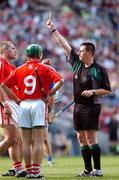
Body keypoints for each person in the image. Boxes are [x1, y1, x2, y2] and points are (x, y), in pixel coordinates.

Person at [46, 17, 112, 177]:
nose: (79, 53)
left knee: (91, 137)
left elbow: (107, 90)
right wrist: (53, 30)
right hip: (78, 106)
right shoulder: (77, 63)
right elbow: (63, 45)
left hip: (92, 106)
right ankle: (87, 170)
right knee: (81, 138)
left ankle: (98, 170)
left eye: (82, 51)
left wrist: (93, 92)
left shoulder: (100, 69)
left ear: (89, 52)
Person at [1, 43, 64, 179]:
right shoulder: (44, 67)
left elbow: (3, 85)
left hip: (23, 105)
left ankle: (28, 171)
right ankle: (36, 172)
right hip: (38, 104)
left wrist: (16, 99)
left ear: (27, 55)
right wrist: (49, 94)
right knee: (38, 141)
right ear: (40, 54)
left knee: (26, 141)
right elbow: (61, 81)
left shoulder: (19, 68)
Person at [0, 41, 25, 177]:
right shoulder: (1, 63)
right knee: (11, 138)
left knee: (17, 138)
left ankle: (17, 168)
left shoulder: (10, 66)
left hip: (12, 103)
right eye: (12, 48)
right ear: (4, 51)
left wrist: (17, 100)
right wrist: (5, 104)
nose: (15, 51)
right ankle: (17, 167)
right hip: (5, 104)